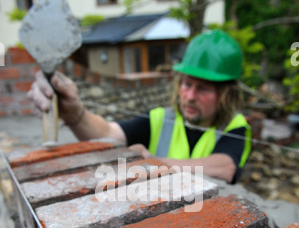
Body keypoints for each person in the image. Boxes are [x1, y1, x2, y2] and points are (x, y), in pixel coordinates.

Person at [28, 29, 252, 183]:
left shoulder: (235, 126)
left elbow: (225, 166)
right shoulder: (160, 118)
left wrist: (153, 163)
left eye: (202, 89)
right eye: (186, 84)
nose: (190, 96)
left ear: (225, 95)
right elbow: (107, 134)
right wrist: (76, 115)